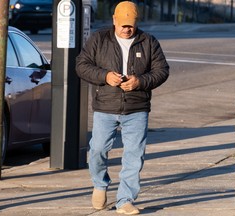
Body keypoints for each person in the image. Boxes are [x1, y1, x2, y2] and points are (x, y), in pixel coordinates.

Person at [75, 1, 169, 215]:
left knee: (134, 156)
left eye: (131, 25)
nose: (127, 29)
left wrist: (140, 82)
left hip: (137, 108)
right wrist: (105, 76)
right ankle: (99, 184)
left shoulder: (148, 41)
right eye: (123, 25)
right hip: (105, 107)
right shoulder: (99, 39)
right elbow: (81, 65)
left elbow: (162, 70)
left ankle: (125, 200)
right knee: (98, 149)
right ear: (114, 20)